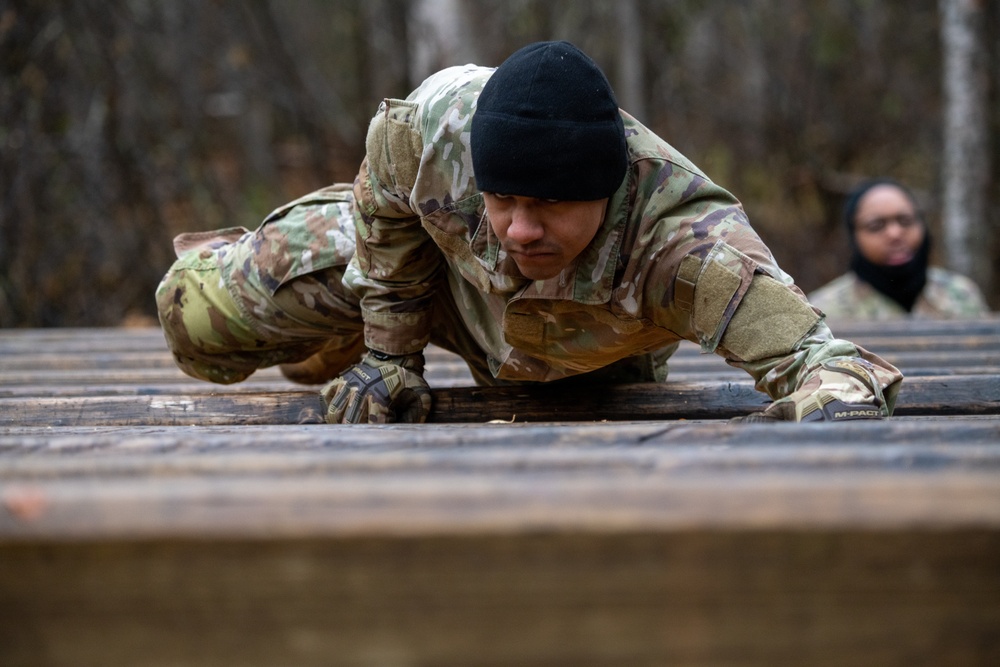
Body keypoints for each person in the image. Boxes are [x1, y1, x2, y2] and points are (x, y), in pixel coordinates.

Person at [156, 40, 903, 424]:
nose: (519, 228)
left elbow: (824, 360)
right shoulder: (433, 130)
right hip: (432, 279)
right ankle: (339, 336)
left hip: (575, 355)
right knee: (191, 315)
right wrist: (389, 353)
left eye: (548, 206)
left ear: (604, 192)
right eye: (503, 199)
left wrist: (834, 401)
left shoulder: (683, 244)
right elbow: (383, 201)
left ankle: (338, 340)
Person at [809, 179, 990, 320]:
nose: (895, 234)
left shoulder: (961, 294)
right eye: (876, 226)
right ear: (854, 235)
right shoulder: (823, 311)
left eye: (905, 221)